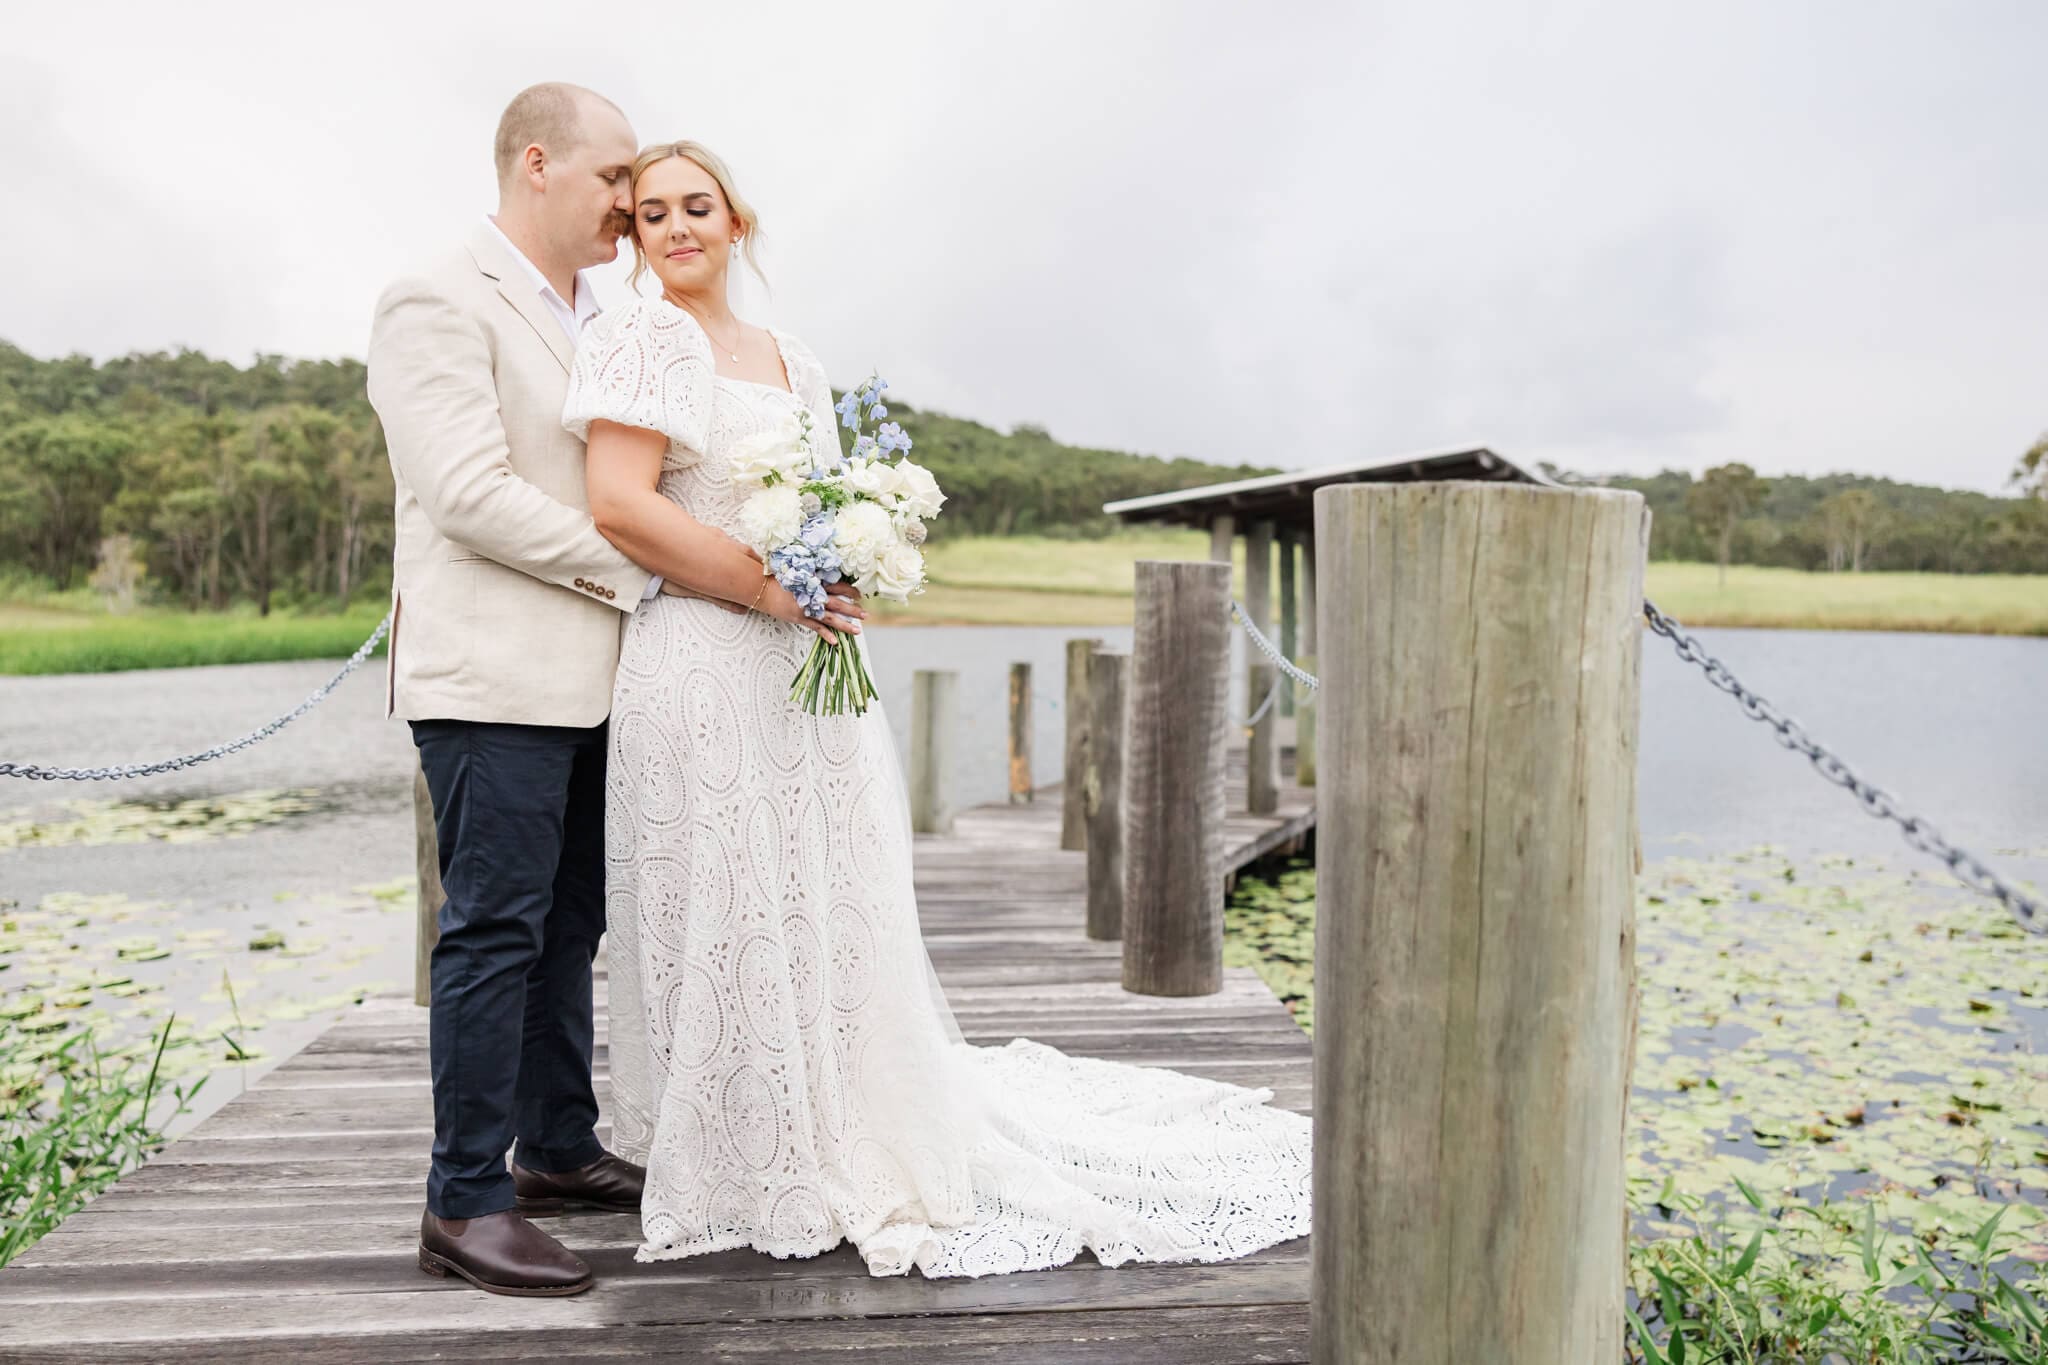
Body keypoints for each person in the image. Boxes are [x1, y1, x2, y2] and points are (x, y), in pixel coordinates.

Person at [570, 140, 1312, 1278]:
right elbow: (620, 506)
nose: (676, 228)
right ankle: (742, 1148)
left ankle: (836, 1115)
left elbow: (811, 499)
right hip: (705, 666)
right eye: (652, 212)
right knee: (728, 892)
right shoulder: (639, 337)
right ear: (633, 235)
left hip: (803, 668)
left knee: (828, 889)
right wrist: (769, 585)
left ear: (737, 222)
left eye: (697, 207)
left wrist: (845, 556)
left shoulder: (791, 356)